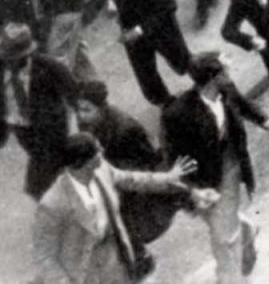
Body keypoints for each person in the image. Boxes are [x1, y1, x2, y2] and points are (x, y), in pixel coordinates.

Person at [162, 52, 269, 283]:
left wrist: (265, 120)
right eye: (224, 70)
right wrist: (191, 189)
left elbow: (242, 105)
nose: (229, 73)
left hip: (229, 166)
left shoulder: (226, 89)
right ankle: (245, 228)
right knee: (216, 220)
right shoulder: (178, 113)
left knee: (222, 238)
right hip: (201, 178)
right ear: (213, 78)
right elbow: (174, 159)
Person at [32, 132, 196, 284]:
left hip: (115, 263)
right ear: (85, 163)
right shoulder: (52, 203)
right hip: (82, 274)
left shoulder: (103, 170)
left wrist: (168, 177)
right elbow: (44, 255)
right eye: (98, 150)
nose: (102, 150)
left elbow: (133, 179)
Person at [72, 82, 196, 279]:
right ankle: (139, 260)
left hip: (136, 185)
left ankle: (140, 260)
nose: (80, 115)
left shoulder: (125, 129)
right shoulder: (88, 124)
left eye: (86, 109)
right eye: (78, 109)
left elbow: (147, 162)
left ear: (102, 108)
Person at [0, 21, 76, 199]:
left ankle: (65, 206)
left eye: (17, 57)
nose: (12, 61)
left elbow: (75, 93)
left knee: (37, 186)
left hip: (51, 128)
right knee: (54, 170)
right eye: (7, 56)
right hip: (21, 128)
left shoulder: (48, 66)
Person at [103, 0, 191, 107]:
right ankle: (166, 103)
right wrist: (110, 2)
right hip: (132, 30)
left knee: (182, 60)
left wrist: (139, 30)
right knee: (145, 74)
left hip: (161, 28)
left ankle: (205, 81)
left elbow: (169, 6)